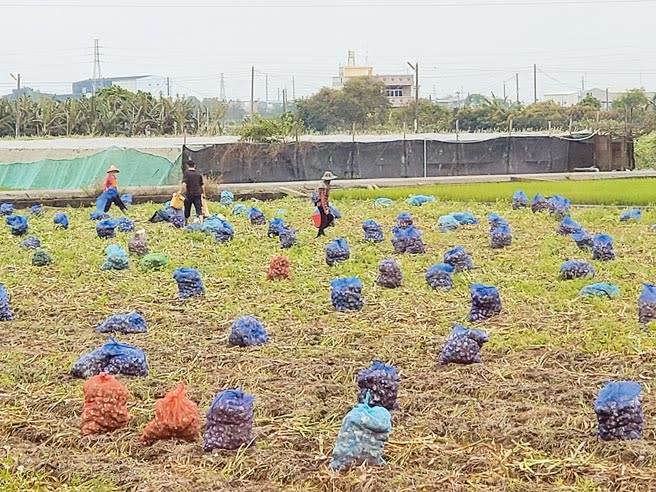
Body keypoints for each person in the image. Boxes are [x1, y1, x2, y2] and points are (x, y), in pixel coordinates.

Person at [180, 159, 205, 224]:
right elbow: (202, 186)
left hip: (189, 194)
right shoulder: (198, 174)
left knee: (187, 209)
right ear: (195, 166)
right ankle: (201, 223)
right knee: (199, 209)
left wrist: (180, 192)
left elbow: (184, 184)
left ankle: (186, 223)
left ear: (187, 166)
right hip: (198, 194)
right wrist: (203, 194)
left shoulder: (186, 173)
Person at [315, 170, 337, 237]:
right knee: (325, 219)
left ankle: (321, 232)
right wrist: (325, 209)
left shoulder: (325, 185)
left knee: (326, 218)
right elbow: (323, 198)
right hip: (321, 205)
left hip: (324, 204)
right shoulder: (323, 187)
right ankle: (320, 233)